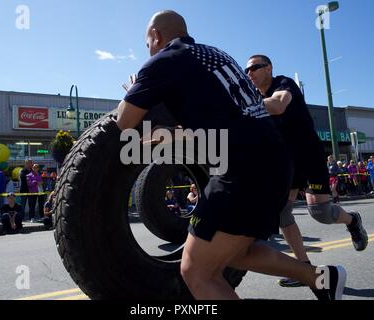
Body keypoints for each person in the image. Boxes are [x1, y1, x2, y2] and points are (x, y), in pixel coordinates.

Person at [116, 10, 346, 300]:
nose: (147, 49)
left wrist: (138, 87)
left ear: (156, 36)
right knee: (235, 251)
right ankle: (322, 278)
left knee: (196, 272)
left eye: (147, 43)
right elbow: (211, 121)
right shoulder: (217, 55)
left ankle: (320, 278)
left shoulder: (161, 62)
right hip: (275, 163)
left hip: (242, 169)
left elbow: (124, 122)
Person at [245, 54, 368, 287]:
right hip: (285, 161)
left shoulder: (283, 83)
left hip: (308, 155)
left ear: (268, 68)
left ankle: (352, 220)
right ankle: (304, 269)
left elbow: (279, 104)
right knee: (282, 214)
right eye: (246, 70)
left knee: (321, 212)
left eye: (254, 68)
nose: (249, 73)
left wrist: (242, 107)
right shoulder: (253, 97)